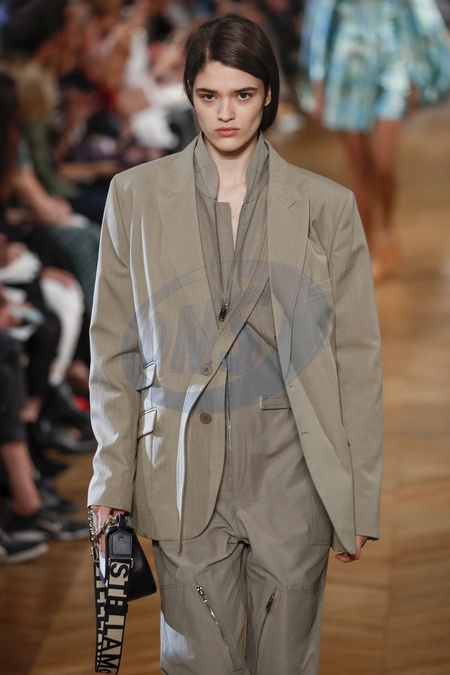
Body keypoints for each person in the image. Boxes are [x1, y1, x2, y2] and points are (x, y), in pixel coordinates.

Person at [88, 13, 383, 674]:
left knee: (285, 661)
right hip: (180, 466)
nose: (226, 113)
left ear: (268, 94)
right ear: (189, 95)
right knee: (198, 663)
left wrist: (358, 496)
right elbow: (113, 350)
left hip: (291, 466)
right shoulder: (134, 198)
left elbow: (357, 357)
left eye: (243, 94)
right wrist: (110, 480)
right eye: (209, 95)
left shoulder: (326, 206)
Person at [299, 0, 450, 282]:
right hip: (346, 71)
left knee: (383, 165)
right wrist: (317, 83)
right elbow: (320, 22)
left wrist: (417, 74)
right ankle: (368, 248)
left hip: (392, 68)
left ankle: (387, 228)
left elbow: (417, 14)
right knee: (360, 168)